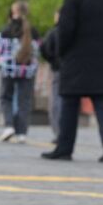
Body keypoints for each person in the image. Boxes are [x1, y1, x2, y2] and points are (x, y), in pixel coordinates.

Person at [41, 0, 103, 162]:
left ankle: (64, 148)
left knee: (69, 104)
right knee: (102, 104)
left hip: (75, 60)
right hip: (100, 59)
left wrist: (61, 53)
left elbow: (64, 31)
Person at [0, 0, 39, 144]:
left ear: (12, 13)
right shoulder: (33, 31)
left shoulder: (6, 30)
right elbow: (38, 50)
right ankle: (22, 132)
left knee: (6, 97)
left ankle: (9, 125)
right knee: (24, 101)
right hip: (27, 70)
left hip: (9, 69)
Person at [39, 9, 62, 139]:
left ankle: (58, 132)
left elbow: (44, 49)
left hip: (57, 69)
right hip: (71, 71)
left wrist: (52, 60)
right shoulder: (75, 32)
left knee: (56, 101)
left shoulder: (53, 33)